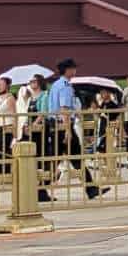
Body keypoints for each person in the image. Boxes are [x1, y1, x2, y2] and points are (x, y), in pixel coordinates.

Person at [47, 59, 107, 199]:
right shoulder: (65, 86)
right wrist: (68, 130)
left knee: (61, 159)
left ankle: (90, 188)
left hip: (56, 126)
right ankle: (38, 190)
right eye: (73, 68)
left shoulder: (56, 84)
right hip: (63, 126)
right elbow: (64, 108)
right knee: (67, 159)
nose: (75, 70)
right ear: (68, 70)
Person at [0, 77, 16, 178]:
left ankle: (2, 175)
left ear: (7, 86)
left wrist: (15, 131)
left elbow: (15, 115)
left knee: (0, 152)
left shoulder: (10, 98)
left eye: (1, 84)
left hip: (7, 128)